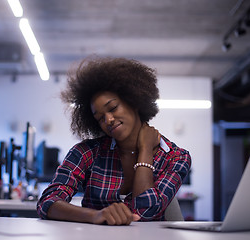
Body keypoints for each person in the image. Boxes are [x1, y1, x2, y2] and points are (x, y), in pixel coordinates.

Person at [37, 56, 191, 225]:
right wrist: (95, 215)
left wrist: (145, 150)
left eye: (113, 108)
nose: (108, 120)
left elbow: (144, 212)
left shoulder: (176, 157)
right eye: (100, 118)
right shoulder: (87, 152)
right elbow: (48, 202)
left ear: (134, 101)